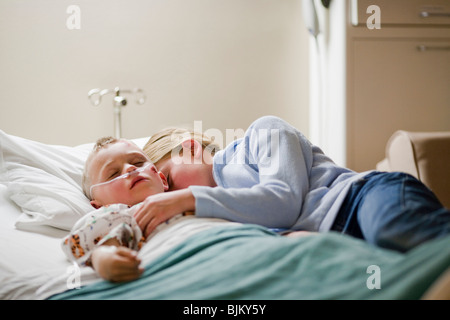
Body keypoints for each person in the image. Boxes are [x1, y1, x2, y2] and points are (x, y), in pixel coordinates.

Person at [136, 115, 450, 252]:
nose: (173, 195)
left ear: (189, 149)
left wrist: (186, 198)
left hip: (362, 197)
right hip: (339, 238)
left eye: (172, 181)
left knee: (395, 230)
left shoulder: (261, 134)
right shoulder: (217, 215)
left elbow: (281, 200)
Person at [62, 136, 171, 282]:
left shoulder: (187, 196)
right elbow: (102, 247)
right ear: (99, 206)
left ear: (163, 180)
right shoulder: (119, 215)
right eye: (113, 173)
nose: (131, 168)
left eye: (138, 163)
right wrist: (104, 261)